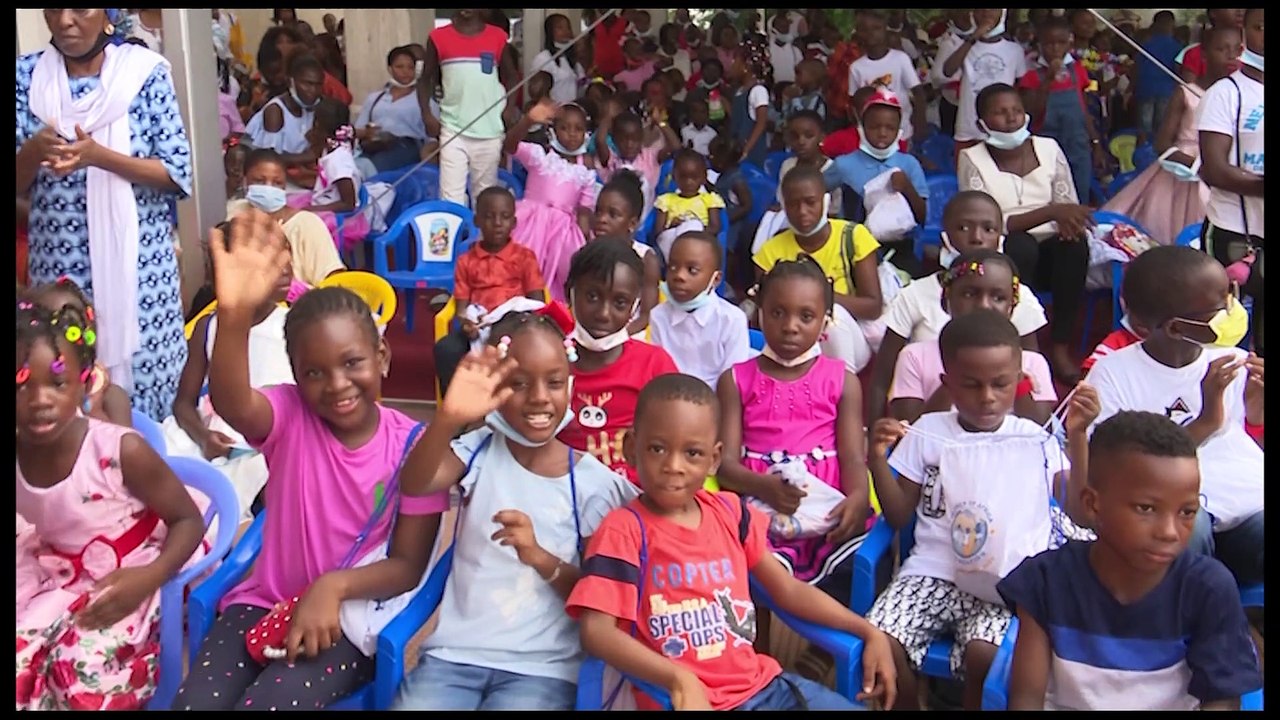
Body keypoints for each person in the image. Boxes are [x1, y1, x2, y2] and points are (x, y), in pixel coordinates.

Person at [175, 211, 450, 710]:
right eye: (314, 372)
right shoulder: (290, 413)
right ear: (296, 375)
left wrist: (333, 588)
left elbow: (408, 566)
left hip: (346, 621)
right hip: (262, 603)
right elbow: (234, 404)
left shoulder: (416, 447)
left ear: (383, 357)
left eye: (352, 362)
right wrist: (234, 314)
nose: (337, 384)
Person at [566, 373, 898, 711]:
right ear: (630, 449)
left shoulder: (730, 513)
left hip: (764, 690)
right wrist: (678, 680)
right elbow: (597, 632)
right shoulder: (624, 531)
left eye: (692, 453)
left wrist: (867, 631)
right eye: (657, 449)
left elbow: (788, 590)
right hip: (681, 700)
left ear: (714, 459)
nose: (674, 466)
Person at [392, 314, 638, 710]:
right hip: (456, 656)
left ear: (570, 385)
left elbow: (597, 593)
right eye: (519, 384)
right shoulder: (478, 448)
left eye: (554, 382)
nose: (539, 397)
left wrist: (539, 557)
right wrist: (449, 417)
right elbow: (415, 484)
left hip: (543, 668)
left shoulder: (594, 485)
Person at [866, 310, 1096, 711]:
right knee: (880, 641)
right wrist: (876, 459)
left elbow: (1079, 512)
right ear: (947, 383)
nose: (987, 397)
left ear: (1018, 380)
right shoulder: (928, 432)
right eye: (971, 385)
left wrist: (1077, 436)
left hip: (1000, 581)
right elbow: (899, 515)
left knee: (985, 655)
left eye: (1000, 384)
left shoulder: (1032, 439)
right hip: (932, 573)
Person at [1000, 411, 1263, 710]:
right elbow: (1026, 698)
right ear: (1093, 504)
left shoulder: (1208, 588)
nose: (1169, 532)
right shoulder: (1046, 580)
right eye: (1146, 508)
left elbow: (1222, 699)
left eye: (1187, 512)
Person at [16, 299, 205, 710]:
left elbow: (188, 520)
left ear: (84, 383)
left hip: (136, 570)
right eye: (21, 384)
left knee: (76, 674)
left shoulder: (120, 451)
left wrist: (150, 577)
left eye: (57, 384)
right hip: (57, 571)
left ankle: (144, 668)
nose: (39, 400)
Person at [17, 8, 193, 421]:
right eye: (54, 9)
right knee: (64, 382)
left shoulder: (145, 74)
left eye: (81, 9)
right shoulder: (25, 77)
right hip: (61, 275)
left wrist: (99, 156)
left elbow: (177, 174)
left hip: (139, 275)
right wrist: (33, 152)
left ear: (108, 14)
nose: (65, 21)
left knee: (149, 397)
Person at [1086, 246, 1264, 585]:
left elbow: (1242, 439)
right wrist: (1206, 420)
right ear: (1174, 328)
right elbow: (1125, 466)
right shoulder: (1113, 374)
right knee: (1185, 525)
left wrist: (1257, 409)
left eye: (1229, 297)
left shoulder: (1229, 360)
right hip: (1173, 514)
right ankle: (1193, 608)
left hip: (1243, 506)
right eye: (1218, 309)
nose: (1230, 311)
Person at [716, 256, 872, 597]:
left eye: (806, 316)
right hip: (761, 507)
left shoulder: (843, 380)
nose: (790, 326)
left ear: (825, 320)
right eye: (777, 312)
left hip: (827, 505)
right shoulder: (735, 379)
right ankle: (767, 632)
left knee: (854, 566)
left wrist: (858, 497)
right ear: (759, 312)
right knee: (761, 573)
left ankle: (832, 632)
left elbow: (852, 457)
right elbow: (724, 465)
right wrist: (764, 487)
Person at [870, 191, 1048, 423]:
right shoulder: (915, 306)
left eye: (989, 229)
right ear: (946, 300)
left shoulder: (1023, 301)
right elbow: (888, 384)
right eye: (963, 228)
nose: (977, 238)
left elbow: (1034, 389)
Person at [958, 83, 1092, 384]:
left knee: (1074, 246)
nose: (1011, 118)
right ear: (982, 122)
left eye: (1016, 111)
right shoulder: (971, 158)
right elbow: (985, 222)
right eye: (1000, 112)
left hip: (1051, 247)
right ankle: (1019, 343)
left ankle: (1059, 346)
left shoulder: (1049, 148)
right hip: (1004, 251)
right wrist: (1050, 212)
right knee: (1021, 245)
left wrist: (1068, 221)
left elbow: (1066, 203)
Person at [162, 220, 293, 519]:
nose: (285, 268)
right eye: (269, 260)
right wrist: (202, 437)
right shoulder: (208, 328)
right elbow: (183, 403)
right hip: (212, 441)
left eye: (286, 256)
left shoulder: (295, 327)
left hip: (267, 447)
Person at [887, 250, 1058, 426]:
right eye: (969, 294)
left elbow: (1041, 430)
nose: (983, 305)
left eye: (998, 298)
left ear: (1011, 307)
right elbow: (910, 429)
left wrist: (1019, 383)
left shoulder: (1031, 363)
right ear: (946, 299)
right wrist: (955, 381)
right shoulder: (914, 356)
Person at [1104, 24, 1240, 245]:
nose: (1231, 56)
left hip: (1226, 171)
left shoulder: (1241, 95)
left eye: (1237, 49)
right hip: (1185, 174)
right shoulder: (1187, 92)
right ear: (1203, 54)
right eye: (1222, 49)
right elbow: (1162, 144)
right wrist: (1198, 166)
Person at [556, 241, 679, 483]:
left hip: (634, 493)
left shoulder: (653, 363)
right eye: (592, 296)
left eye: (620, 302)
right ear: (571, 292)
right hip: (563, 490)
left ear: (635, 304)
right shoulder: (550, 361)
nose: (604, 313)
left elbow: (674, 434)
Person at [754, 167, 883, 375]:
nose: (802, 211)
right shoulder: (770, 252)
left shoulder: (853, 236)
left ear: (825, 201)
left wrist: (820, 299)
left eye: (810, 202)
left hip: (850, 339)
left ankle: (841, 385)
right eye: (793, 204)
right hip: (793, 341)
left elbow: (873, 306)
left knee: (831, 317)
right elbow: (765, 311)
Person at [1198, 7, 1264, 353]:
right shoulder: (1225, 94)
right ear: (1243, 34)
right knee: (1224, 332)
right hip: (1234, 231)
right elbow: (1214, 168)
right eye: (1260, 26)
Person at [434, 187, 545, 395]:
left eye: (504, 217)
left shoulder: (524, 257)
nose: (497, 223)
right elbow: (461, 307)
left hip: (514, 325)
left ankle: (502, 402)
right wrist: (467, 324)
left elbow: (537, 303)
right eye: (489, 216)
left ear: (514, 222)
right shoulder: (466, 261)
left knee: (502, 343)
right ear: (477, 221)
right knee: (446, 349)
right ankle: (457, 406)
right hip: (478, 325)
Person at [503, 100, 599, 303]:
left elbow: (584, 210)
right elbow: (509, 146)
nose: (572, 134)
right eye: (564, 128)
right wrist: (528, 121)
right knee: (523, 266)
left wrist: (585, 240)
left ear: (586, 134)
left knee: (563, 271)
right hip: (531, 223)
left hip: (563, 232)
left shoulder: (586, 168)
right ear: (553, 130)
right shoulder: (541, 156)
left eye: (578, 129)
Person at [419, 9, 517, 208]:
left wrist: (509, 109)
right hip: (452, 128)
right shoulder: (438, 37)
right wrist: (427, 115)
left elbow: (513, 76)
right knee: (450, 196)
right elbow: (425, 79)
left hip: (489, 129)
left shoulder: (497, 37)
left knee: (484, 195)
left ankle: (477, 230)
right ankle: (457, 228)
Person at [823, 89, 928, 272]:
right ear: (861, 127)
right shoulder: (844, 164)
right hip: (854, 248)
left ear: (899, 131)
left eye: (890, 128)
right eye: (874, 127)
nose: (882, 133)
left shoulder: (909, 164)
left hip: (900, 249)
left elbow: (922, 216)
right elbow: (815, 190)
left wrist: (907, 187)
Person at [1018, 16, 1110, 205]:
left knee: (1080, 195)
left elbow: (1083, 109)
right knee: (1050, 198)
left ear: (1070, 43)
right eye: (1049, 44)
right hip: (1045, 148)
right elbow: (1032, 114)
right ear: (1040, 45)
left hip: (1077, 146)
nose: (1055, 49)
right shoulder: (1031, 76)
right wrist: (1048, 80)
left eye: (1061, 43)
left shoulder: (1078, 70)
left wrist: (1096, 143)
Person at [228, 149, 345, 288]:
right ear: (245, 180)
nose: (269, 189)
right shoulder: (234, 213)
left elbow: (332, 279)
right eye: (259, 181)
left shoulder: (307, 225)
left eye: (277, 183)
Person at [25, 278, 133, 428]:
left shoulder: (111, 397)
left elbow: (120, 439)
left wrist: (93, 411)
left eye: (71, 328)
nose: (41, 399)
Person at [649, 231, 750, 388]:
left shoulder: (731, 320)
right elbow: (658, 373)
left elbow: (733, 383)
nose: (679, 276)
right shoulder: (658, 315)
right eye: (673, 267)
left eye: (692, 270)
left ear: (716, 279)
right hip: (669, 397)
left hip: (717, 399)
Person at [939, 9, 1028, 153]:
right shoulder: (962, 46)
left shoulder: (1014, 50)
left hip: (1004, 129)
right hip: (969, 128)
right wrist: (973, 38)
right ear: (972, 14)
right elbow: (948, 71)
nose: (986, 13)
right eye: (980, 9)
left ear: (1002, 13)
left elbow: (1021, 88)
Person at [591, 171, 662, 338]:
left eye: (613, 214)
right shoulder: (588, 254)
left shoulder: (646, 259)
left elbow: (647, 315)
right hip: (592, 329)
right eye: (598, 212)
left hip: (630, 334)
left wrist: (616, 338)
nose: (602, 219)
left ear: (632, 223)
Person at [848, 11, 927, 143]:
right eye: (864, 30)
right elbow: (854, 104)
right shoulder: (856, 68)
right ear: (858, 34)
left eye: (876, 28)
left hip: (903, 132)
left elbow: (918, 92)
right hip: (872, 137)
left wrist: (920, 121)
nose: (871, 33)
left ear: (885, 29)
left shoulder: (900, 58)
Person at [353, 45, 431, 176]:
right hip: (375, 145)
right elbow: (358, 129)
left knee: (373, 168)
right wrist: (368, 132)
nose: (405, 71)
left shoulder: (423, 99)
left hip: (407, 146)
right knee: (355, 167)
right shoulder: (375, 98)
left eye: (410, 67)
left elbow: (432, 136)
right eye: (399, 67)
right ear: (390, 69)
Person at [597, 100, 680, 221]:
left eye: (635, 140)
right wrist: (607, 118)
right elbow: (600, 141)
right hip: (618, 216)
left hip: (647, 216)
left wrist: (660, 122)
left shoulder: (650, 157)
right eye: (623, 140)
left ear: (641, 138)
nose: (629, 145)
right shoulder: (611, 160)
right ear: (614, 140)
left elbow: (675, 146)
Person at [245, 52, 322, 158]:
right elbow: (271, 158)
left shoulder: (316, 109)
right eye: (308, 84)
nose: (313, 90)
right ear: (290, 82)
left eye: (318, 85)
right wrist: (307, 157)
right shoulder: (275, 111)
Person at [652, 150, 725, 259]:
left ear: (704, 178)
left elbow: (715, 228)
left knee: (693, 225)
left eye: (694, 177)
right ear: (674, 176)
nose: (688, 182)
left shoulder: (710, 200)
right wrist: (671, 226)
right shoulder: (665, 200)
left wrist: (692, 230)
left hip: (699, 242)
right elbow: (658, 232)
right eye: (683, 177)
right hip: (672, 243)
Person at [1136, 11, 1185, 139]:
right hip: (1167, 91)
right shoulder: (1177, 46)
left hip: (1145, 89)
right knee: (1162, 128)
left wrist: (1132, 88)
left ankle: (1142, 150)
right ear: (1172, 24)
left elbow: (1136, 67)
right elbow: (1179, 70)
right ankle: (1158, 151)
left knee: (1143, 128)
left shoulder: (1145, 44)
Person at [729, 36, 775, 167]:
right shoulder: (739, 91)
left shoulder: (758, 90)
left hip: (751, 152)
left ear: (746, 66)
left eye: (735, 60)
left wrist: (746, 150)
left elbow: (761, 123)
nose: (731, 65)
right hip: (737, 148)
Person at [1177, 9, 1244, 83]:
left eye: (1238, 49)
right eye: (1221, 49)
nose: (1240, 10)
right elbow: (1189, 88)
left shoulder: (1251, 52)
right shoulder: (1194, 53)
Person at [533, 13, 587, 104]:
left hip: (572, 109)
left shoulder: (572, 60)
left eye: (568, 27)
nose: (566, 31)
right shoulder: (543, 59)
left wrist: (581, 52)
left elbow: (582, 85)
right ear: (550, 32)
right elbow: (538, 91)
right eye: (560, 28)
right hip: (553, 109)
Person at [785, 58, 830, 126]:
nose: (796, 78)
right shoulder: (801, 96)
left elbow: (803, 118)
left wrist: (795, 99)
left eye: (799, 74)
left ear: (813, 76)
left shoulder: (816, 99)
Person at [767, 12, 804, 85]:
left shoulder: (795, 51)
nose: (785, 30)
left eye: (787, 27)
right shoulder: (767, 50)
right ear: (773, 29)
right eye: (782, 27)